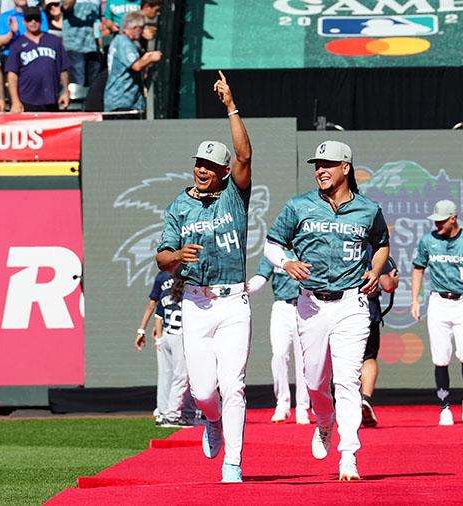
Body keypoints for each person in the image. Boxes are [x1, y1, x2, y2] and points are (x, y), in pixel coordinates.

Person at [264, 140, 390, 481]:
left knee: (347, 380)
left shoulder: (368, 209)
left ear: (345, 168)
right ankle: (324, 421)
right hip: (311, 303)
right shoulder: (298, 206)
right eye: (317, 164)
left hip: (352, 303)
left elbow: (381, 243)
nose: (320, 169)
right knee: (316, 380)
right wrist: (286, 261)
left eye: (328, 164)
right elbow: (272, 243)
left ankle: (348, 455)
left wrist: (376, 270)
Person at [155, 71, 252, 483]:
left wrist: (230, 105)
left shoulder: (235, 193)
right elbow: (162, 258)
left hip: (233, 303)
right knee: (202, 392)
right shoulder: (180, 205)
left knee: (234, 385)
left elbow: (245, 157)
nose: (202, 169)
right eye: (199, 163)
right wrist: (177, 255)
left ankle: (234, 461)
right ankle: (210, 420)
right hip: (195, 301)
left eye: (211, 165)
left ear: (224, 172)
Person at [410, 199, 463, 426]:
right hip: (438, 302)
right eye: (436, 220)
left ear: (453, 218)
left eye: (441, 221)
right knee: (440, 358)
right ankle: (445, 407)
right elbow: (418, 269)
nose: (437, 225)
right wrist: (415, 299)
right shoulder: (429, 240)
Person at [247, 255, 311, 425]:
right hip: (282, 307)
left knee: (303, 360)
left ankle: (303, 408)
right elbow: (261, 276)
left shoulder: (305, 247)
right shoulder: (274, 251)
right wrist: (246, 288)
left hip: (305, 306)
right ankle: (282, 403)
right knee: (279, 354)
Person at [135, 270, 194, 428]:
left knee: (167, 375)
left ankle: (163, 412)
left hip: (166, 334)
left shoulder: (166, 293)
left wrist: (158, 335)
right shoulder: (190, 297)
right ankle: (173, 415)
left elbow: (157, 314)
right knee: (182, 377)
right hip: (180, 337)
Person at [359, 250, 398, 428]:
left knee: (341, 359)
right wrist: (394, 280)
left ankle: (346, 403)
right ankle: (365, 398)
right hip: (366, 310)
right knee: (368, 357)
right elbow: (387, 284)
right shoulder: (373, 249)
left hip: (336, 309)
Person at [4, 6, 69, 112]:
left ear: (41, 20)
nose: (33, 22)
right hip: (27, 99)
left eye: (36, 19)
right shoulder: (17, 45)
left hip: (50, 98)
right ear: (24, 21)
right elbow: (12, 75)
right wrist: (15, 101)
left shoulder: (53, 41)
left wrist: (66, 92)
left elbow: (63, 69)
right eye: (29, 19)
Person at [104, 10, 161, 112]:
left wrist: (146, 57)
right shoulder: (124, 43)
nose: (142, 32)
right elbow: (136, 66)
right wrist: (152, 58)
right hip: (121, 100)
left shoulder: (119, 41)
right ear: (135, 28)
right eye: (141, 29)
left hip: (126, 100)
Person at [60, 0, 100, 86]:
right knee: (78, 84)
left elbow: (99, 20)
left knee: (95, 86)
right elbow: (66, 6)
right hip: (73, 46)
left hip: (92, 47)